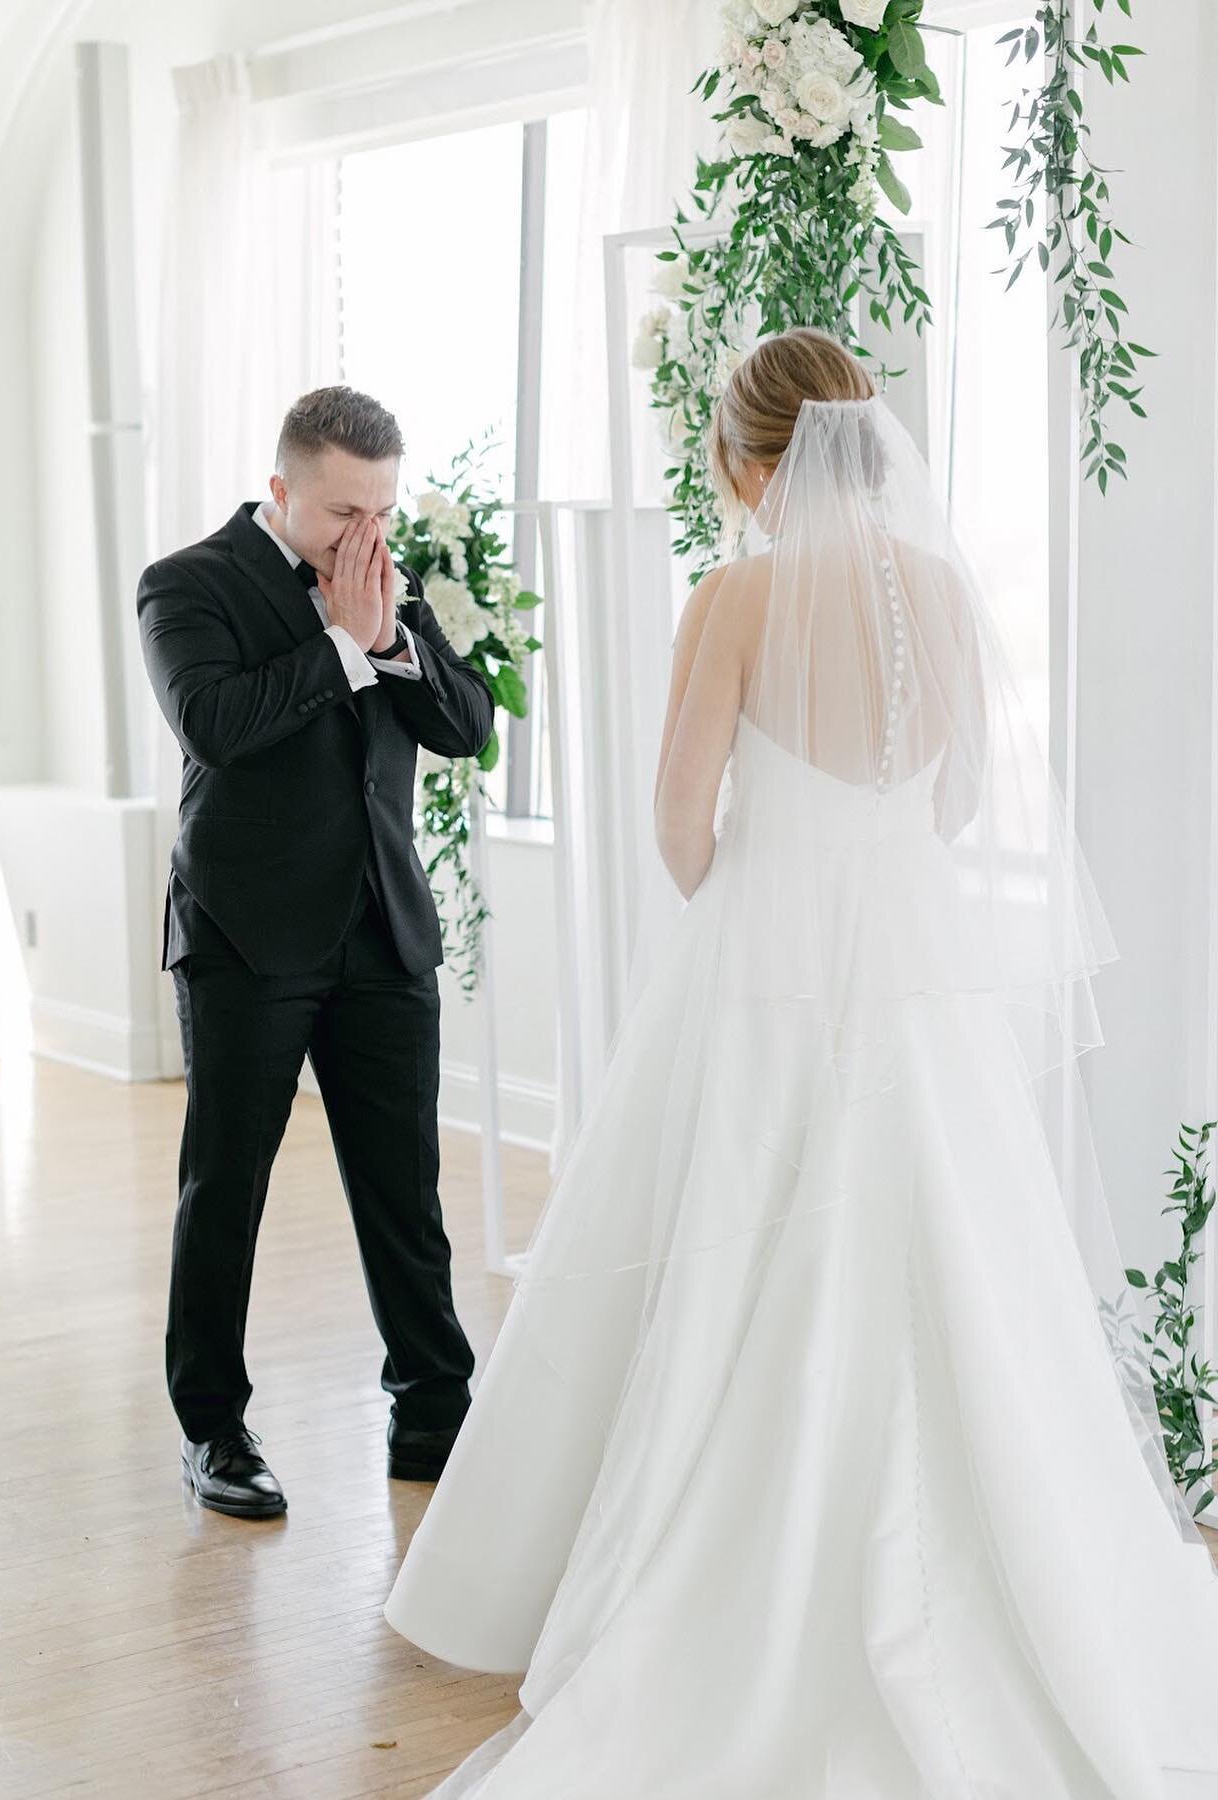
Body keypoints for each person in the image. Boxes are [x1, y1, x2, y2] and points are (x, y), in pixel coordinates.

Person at [382, 328, 1218, 1795]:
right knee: (949, 1254)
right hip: (912, 975)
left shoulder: (738, 596)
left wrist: (772, 888)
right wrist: (869, 861)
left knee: (738, 1247)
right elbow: (959, 794)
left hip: (769, 969)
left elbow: (680, 827)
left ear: (748, 458)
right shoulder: (944, 595)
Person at [136, 385, 494, 1518]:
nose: (368, 538)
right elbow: (217, 726)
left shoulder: (389, 582)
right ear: (282, 490)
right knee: (225, 1187)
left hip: (382, 928)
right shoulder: (186, 586)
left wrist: (390, 638)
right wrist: (342, 642)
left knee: (406, 1191)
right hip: (247, 935)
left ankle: (435, 1408)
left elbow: (468, 726)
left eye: (381, 510)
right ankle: (213, 1428)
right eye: (345, 513)